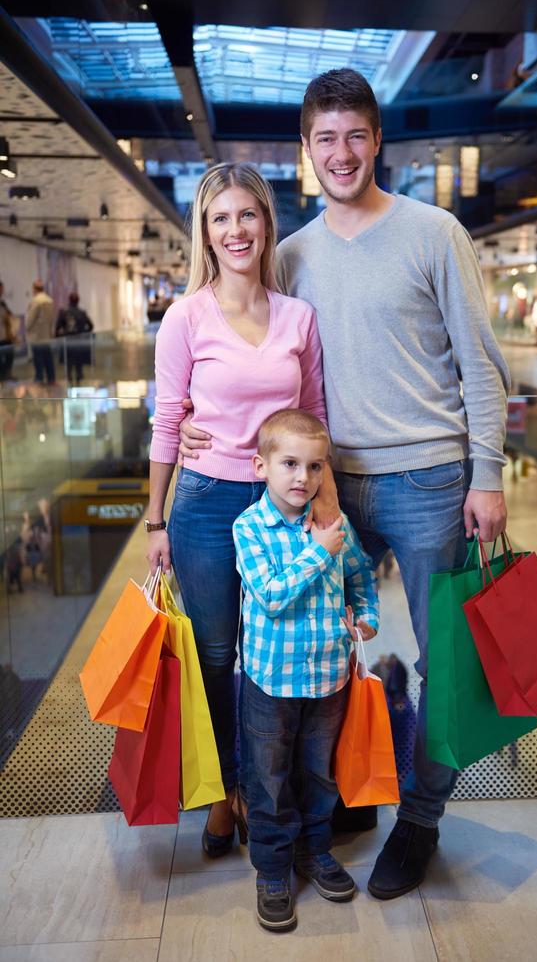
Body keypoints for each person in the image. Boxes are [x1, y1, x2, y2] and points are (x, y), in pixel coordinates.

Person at [179, 68, 510, 900]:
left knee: (442, 662)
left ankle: (422, 823)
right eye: (324, 138)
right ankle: (334, 796)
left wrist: (488, 473)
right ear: (304, 150)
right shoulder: (292, 255)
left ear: (377, 141)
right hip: (323, 490)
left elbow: (480, 365)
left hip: (429, 479)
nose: (341, 152)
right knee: (316, 647)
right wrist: (198, 420)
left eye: (355, 135)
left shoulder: (435, 233)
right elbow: (263, 361)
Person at [146, 162, 329, 862]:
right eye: (220, 218)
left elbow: (314, 417)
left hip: (283, 505)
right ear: (205, 231)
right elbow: (168, 420)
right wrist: (155, 521)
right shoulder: (185, 317)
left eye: (246, 215)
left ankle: (272, 793)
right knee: (219, 656)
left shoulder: (297, 317)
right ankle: (227, 795)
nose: (235, 230)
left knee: (274, 658)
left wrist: (322, 505)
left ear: (265, 223)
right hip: (205, 504)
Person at [233, 408, 379, 931]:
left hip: (329, 680)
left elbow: (361, 573)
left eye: (316, 467)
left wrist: (366, 616)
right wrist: (318, 552)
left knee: (319, 773)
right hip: (271, 683)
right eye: (290, 464)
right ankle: (272, 868)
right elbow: (270, 596)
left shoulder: (334, 524)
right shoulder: (249, 528)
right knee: (269, 780)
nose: (304, 478)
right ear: (260, 466)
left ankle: (315, 850)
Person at [55, 292, 94, 383]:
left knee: (68, 365)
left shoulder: (63, 312)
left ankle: (69, 382)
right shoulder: (82, 313)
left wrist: (59, 337)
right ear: (78, 301)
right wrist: (83, 332)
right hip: (79, 343)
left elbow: (57, 328)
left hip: (68, 343)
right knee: (78, 365)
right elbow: (91, 326)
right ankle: (78, 382)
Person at [26, 280, 55, 385]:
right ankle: (51, 378)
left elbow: (30, 320)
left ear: (34, 289)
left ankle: (39, 379)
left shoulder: (36, 301)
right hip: (46, 335)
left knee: (38, 359)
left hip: (37, 336)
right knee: (48, 358)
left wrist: (27, 328)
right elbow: (51, 319)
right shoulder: (49, 301)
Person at [0, 281, 16, 381]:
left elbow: (9, 314)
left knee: (9, 354)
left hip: (5, 335)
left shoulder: (2, 303)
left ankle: (6, 374)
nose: (2, 291)